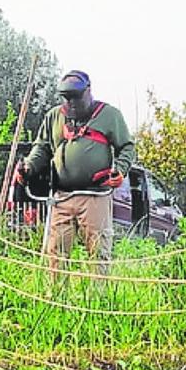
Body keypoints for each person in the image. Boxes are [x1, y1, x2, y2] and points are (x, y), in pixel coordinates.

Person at [18, 70, 136, 273]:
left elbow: (127, 147)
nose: (71, 102)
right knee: (55, 254)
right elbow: (42, 147)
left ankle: (98, 301)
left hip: (95, 195)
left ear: (88, 91)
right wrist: (29, 166)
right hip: (61, 196)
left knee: (98, 253)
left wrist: (121, 169)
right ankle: (54, 299)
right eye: (66, 98)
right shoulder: (54, 116)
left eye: (76, 97)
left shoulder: (109, 115)